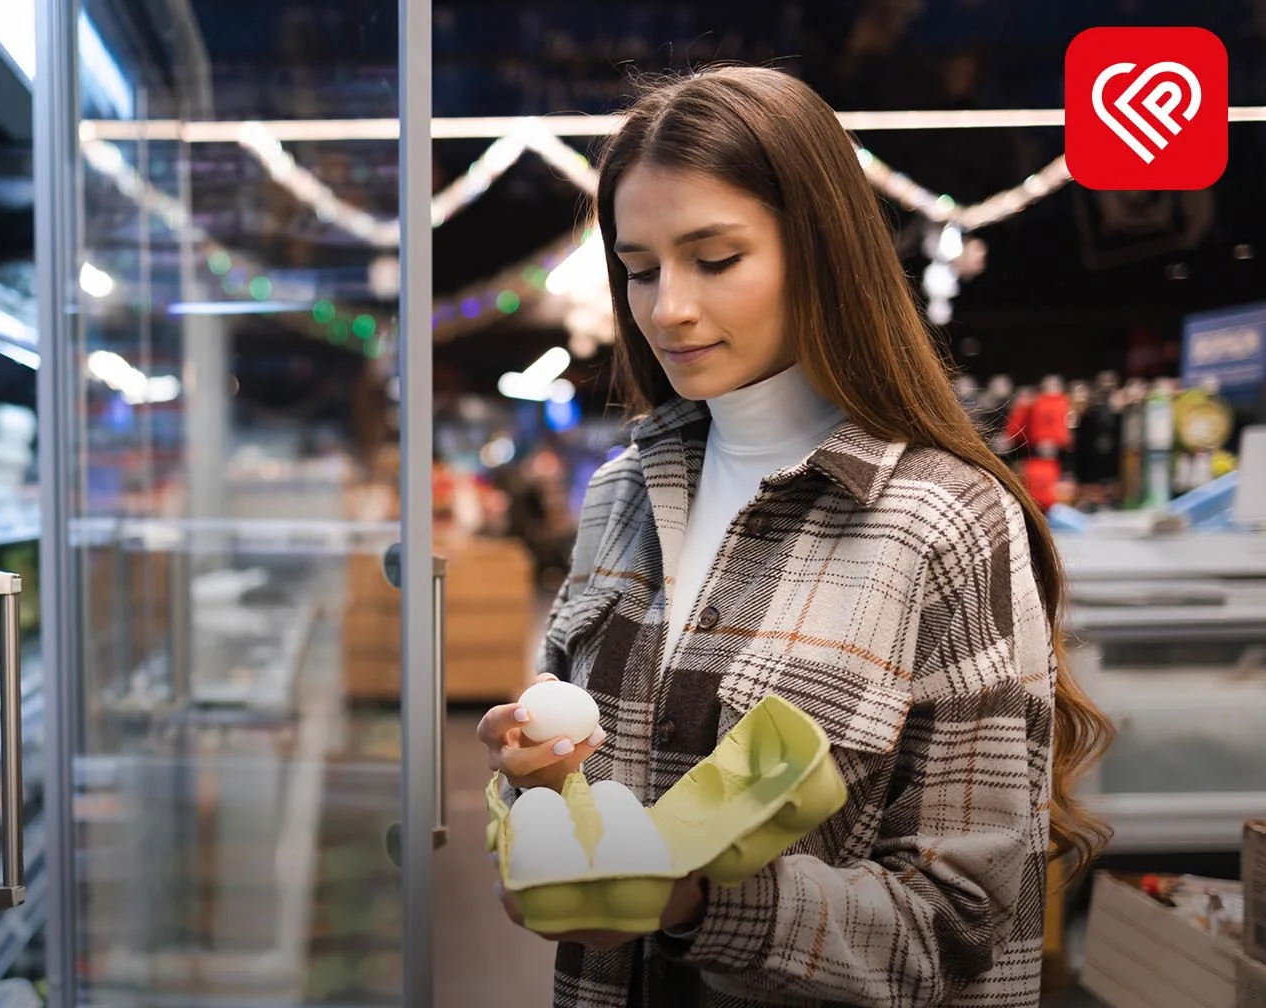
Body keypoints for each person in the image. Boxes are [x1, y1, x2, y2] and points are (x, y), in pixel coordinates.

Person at [476, 66, 1114, 1008]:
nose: (666, 309)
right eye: (641, 268)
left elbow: (963, 922)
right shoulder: (620, 497)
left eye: (716, 259)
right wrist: (541, 777)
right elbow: (599, 797)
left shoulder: (940, 521)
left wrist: (697, 905)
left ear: (820, 252)